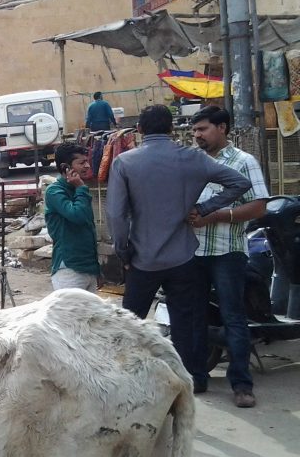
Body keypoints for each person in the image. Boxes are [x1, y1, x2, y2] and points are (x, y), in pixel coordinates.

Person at [106, 104, 251, 394]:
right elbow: (240, 183)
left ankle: (125, 383)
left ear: (139, 130)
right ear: (172, 129)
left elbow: (116, 216)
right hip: (183, 258)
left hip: (142, 259)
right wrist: (203, 208)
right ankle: (190, 382)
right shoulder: (192, 158)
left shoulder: (125, 162)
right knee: (185, 323)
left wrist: (123, 252)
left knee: (129, 325)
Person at [188, 106, 269, 409]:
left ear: (222, 128)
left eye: (203, 129)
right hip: (192, 251)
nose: (197, 136)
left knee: (233, 316)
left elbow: (259, 207)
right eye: (195, 131)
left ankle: (241, 384)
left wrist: (218, 216)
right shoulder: (191, 160)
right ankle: (197, 376)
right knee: (192, 316)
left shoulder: (243, 162)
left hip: (228, 252)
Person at [45, 143, 99, 292]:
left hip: (89, 267)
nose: (87, 166)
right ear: (65, 168)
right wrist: (81, 188)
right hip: (69, 269)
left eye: (87, 161)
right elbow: (78, 215)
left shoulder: (77, 189)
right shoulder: (54, 191)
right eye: (82, 163)